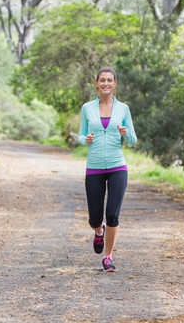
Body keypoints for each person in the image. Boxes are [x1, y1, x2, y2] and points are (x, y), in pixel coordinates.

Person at [77, 67, 137, 272]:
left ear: (115, 84)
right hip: (94, 168)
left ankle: (108, 257)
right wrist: (84, 140)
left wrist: (125, 132)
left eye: (110, 80)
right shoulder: (87, 108)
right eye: (102, 80)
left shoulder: (123, 109)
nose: (106, 83)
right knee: (95, 218)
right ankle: (98, 231)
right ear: (97, 83)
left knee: (112, 214)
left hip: (117, 167)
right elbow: (80, 135)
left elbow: (134, 140)